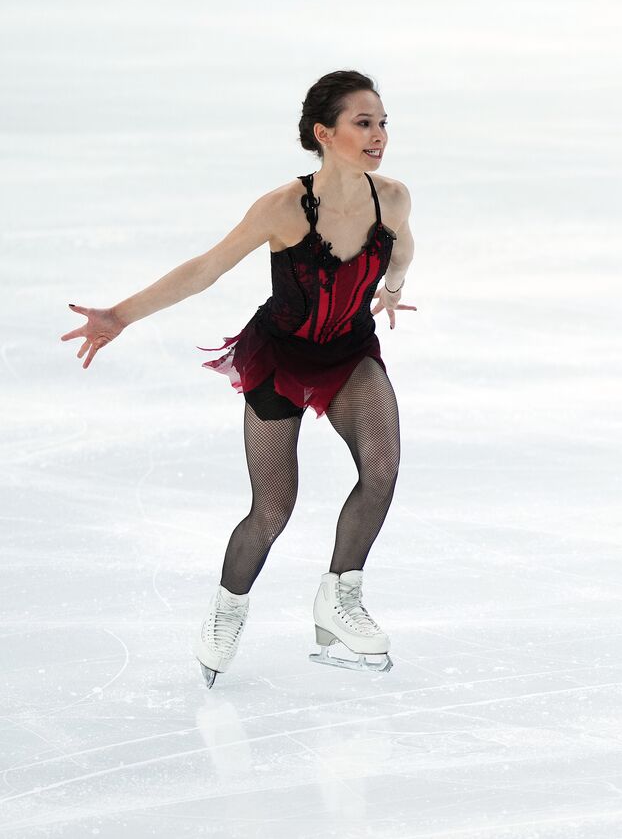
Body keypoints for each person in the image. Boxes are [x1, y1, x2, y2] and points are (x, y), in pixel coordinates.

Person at [62, 70, 417, 686]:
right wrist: (119, 315)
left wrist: (393, 288)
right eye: (363, 123)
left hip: (351, 352)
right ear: (323, 133)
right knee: (273, 509)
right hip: (280, 357)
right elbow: (206, 269)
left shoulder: (393, 198)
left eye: (382, 122)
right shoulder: (283, 208)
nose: (378, 135)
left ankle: (339, 595)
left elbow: (402, 248)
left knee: (382, 470)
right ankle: (227, 608)